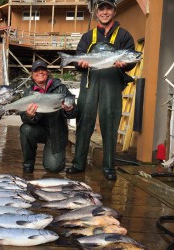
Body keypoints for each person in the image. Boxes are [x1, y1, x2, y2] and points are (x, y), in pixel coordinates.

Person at [65, 0, 136, 180]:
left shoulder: (124, 36)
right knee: (84, 121)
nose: (105, 12)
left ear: (114, 11)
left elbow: (132, 60)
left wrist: (124, 65)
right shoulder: (87, 37)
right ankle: (78, 163)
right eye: (101, 9)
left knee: (110, 124)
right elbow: (79, 64)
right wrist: (80, 64)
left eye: (108, 8)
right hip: (90, 82)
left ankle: (109, 167)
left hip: (112, 83)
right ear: (97, 12)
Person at [20, 60, 77, 173]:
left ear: (47, 72)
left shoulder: (61, 88)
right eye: (37, 70)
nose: (40, 72)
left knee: (54, 167)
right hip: (37, 130)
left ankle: (56, 154)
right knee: (26, 130)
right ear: (32, 74)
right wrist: (29, 116)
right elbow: (23, 117)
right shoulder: (28, 92)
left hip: (56, 133)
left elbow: (75, 111)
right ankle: (28, 163)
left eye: (43, 69)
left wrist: (69, 110)